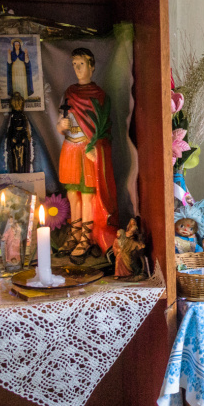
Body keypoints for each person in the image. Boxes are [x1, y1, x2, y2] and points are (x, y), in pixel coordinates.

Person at [57, 48, 118, 259]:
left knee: (87, 195)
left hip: (87, 150)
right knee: (72, 193)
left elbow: (103, 129)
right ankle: (74, 233)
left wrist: (96, 148)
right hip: (70, 148)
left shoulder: (99, 96)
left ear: (91, 66)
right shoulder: (69, 92)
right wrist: (60, 126)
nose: (77, 68)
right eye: (74, 64)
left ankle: (86, 237)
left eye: (81, 64)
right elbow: (61, 120)